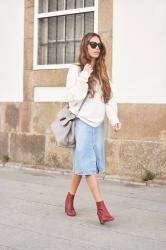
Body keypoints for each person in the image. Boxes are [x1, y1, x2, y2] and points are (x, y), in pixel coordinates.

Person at [63, 32, 121, 225]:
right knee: (88, 166)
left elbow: (109, 98)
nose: (97, 47)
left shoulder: (103, 72)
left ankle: (69, 198)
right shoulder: (76, 69)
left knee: (84, 163)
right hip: (81, 123)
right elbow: (72, 97)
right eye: (93, 44)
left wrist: (113, 119)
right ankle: (101, 208)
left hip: (98, 124)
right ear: (85, 46)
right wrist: (84, 75)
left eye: (99, 45)